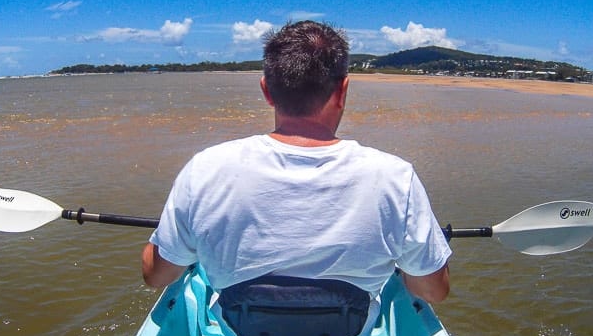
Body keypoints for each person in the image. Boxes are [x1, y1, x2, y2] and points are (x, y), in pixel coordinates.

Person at [141, 20, 451, 315]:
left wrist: (181, 238)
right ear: (343, 91)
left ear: (266, 91)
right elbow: (433, 292)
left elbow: (156, 276)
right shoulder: (395, 178)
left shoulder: (204, 170)